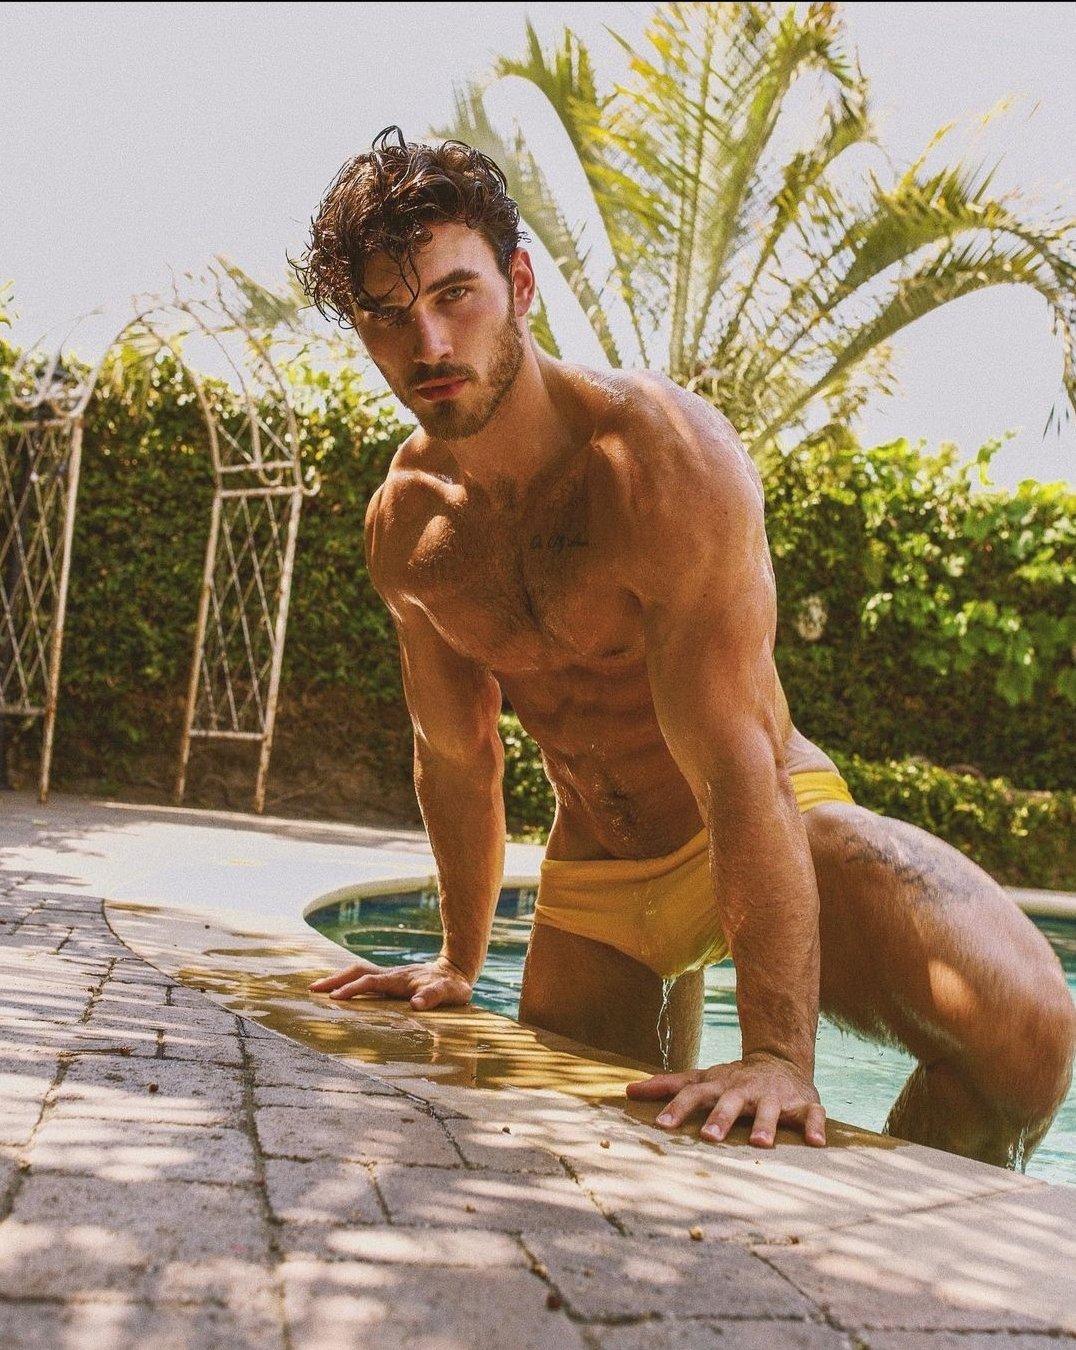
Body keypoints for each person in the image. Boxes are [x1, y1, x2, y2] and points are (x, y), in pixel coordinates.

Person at [296, 127, 1075, 1165]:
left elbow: (736, 762)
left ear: (518, 285)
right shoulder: (408, 528)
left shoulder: (659, 460)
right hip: (600, 877)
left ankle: (895, 1219)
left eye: (454, 294)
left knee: (1027, 1033)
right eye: (388, 315)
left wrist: (778, 1054)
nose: (428, 344)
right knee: (579, 1161)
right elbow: (455, 754)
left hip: (759, 823)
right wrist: (456, 960)